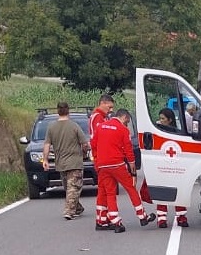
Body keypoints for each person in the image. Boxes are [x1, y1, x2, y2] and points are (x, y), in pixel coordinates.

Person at [93, 108, 156, 233]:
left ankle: (116, 221)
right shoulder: (122, 129)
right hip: (117, 164)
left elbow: (94, 144)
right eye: (127, 120)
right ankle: (142, 216)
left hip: (103, 165)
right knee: (131, 189)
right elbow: (128, 148)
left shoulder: (100, 127)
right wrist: (132, 163)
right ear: (124, 117)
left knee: (110, 193)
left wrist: (97, 161)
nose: (127, 123)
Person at [43, 102, 90, 220]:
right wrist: (84, 152)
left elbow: (47, 145)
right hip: (75, 162)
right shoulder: (74, 126)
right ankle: (70, 211)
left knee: (69, 188)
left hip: (61, 163)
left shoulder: (51, 127)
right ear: (68, 111)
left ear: (57, 111)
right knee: (73, 188)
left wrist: (45, 160)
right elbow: (84, 143)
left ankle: (76, 208)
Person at [144, 108, 189, 228]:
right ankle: (161, 219)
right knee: (162, 192)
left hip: (175, 165)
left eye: (163, 119)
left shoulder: (177, 132)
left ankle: (181, 217)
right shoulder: (157, 131)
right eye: (160, 118)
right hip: (161, 165)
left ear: (170, 120)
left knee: (178, 191)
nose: (160, 120)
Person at [89, 94, 115, 229]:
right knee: (105, 190)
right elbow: (96, 140)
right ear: (103, 103)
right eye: (109, 107)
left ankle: (103, 218)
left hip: (105, 158)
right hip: (101, 159)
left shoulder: (104, 117)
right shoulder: (97, 118)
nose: (111, 110)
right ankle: (102, 220)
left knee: (105, 189)